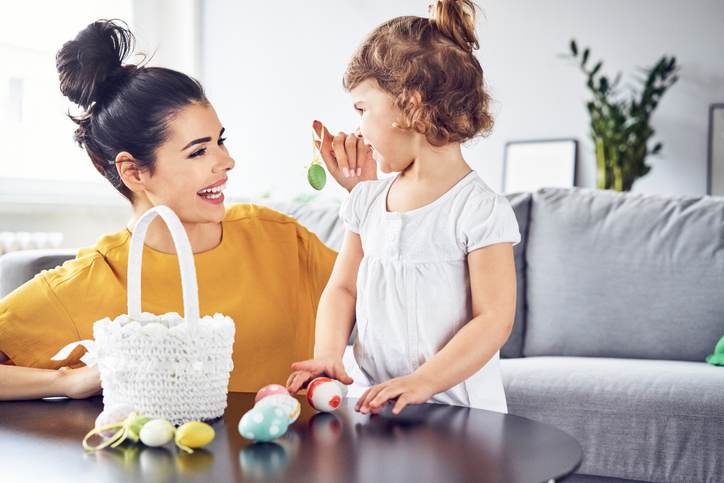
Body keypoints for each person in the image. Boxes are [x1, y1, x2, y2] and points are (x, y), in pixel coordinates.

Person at [0, 19, 374, 401]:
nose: (226, 161)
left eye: (220, 141)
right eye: (198, 151)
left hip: (295, 455)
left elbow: (385, 301)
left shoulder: (277, 236)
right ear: (134, 172)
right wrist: (67, 382)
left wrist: (365, 197)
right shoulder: (88, 282)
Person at [287, 0, 521, 415]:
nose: (357, 127)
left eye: (362, 109)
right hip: (374, 403)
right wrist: (328, 352)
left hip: (457, 411)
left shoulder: (480, 209)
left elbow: (494, 319)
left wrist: (423, 382)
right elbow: (343, 288)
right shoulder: (369, 200)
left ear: (411, 105)